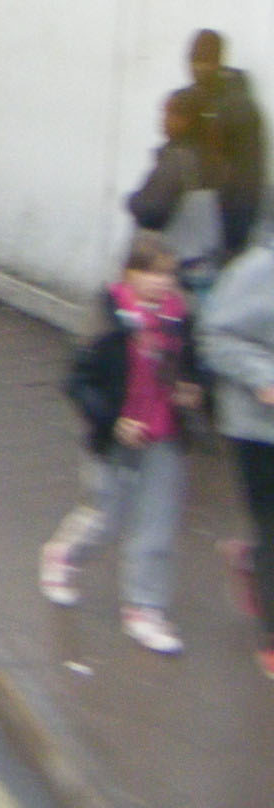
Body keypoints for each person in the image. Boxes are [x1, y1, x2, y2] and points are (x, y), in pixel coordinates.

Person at [40, 230, 205, 654]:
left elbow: (195, 367)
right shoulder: (109, 319)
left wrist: (192, 388)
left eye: (167, 275)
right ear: (129, 274)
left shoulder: (179, 319)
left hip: (165, 433)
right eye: (150, 273)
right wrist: (114, 421)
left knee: (158, 522)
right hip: (115, 437)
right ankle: (63, 555)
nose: (161, 283)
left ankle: (145, 609)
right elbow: (77, 382)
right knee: (106, 516)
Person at [200, 240, 274, 680]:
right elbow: (215, 335)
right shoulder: (260, 270)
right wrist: (264, 377)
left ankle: (249, 560)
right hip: (258, 428)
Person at [127, 90, 223, 296]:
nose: (163, 121)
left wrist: (133, 201)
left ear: (186, 120)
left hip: (169, 266)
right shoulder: (211, 156)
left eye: (169, 114)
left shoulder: (177, 159)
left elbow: (152, 211)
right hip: (202, 261)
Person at [183, 30, 265, 261]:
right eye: (192, 60)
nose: (195, 68)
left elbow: (242, 172)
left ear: (217, 62)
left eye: (202, 61)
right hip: (210, 209)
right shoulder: (201, 98)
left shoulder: (237, 106)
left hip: (234, 208)